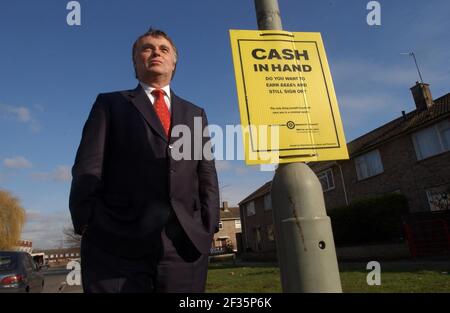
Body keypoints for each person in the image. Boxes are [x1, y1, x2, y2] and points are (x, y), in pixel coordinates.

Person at [69, 28, 220, 293]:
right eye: (147, 48)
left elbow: (205, 174)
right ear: (135, 62)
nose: (156, 53)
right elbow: (87, 166)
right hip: (118, 242)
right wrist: (87, 222)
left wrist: (208, 226)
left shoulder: (195, 113)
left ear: (174, 62)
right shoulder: (110, 104)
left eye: (164, 49)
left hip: (184, 243)